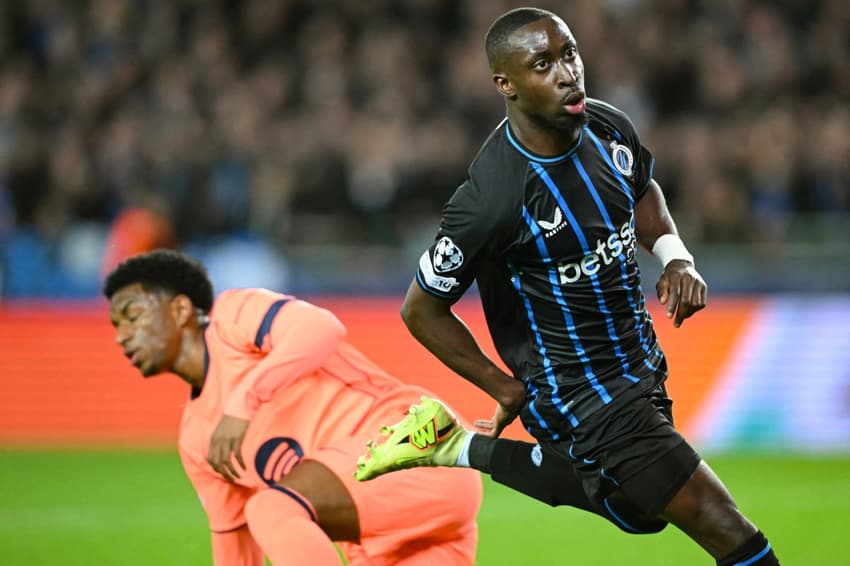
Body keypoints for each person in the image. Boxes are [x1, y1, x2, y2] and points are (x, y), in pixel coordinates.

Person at [356, 7, 779, 566]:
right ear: (506, 84)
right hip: (579, 394)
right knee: (727, 529)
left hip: (639, 363)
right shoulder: (492, 199)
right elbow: (420, 309)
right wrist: (501, 387)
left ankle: (457, 447)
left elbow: (642, 188)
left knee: (641, 511)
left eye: (569, 54)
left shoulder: (607, 126)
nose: (567, 73)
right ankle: (461, 448)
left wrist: (675, 257)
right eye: (542, 64)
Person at [103, 249, 482, 566]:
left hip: (416, 446)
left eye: (132, 316)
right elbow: (235, 549)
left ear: (182, 309)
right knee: (271, 510)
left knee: (270, 508)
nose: (121, 337)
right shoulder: (195, 440)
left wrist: (244, 401)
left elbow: (321, 327)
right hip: (390, 532)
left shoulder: (231, 317)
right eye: (115, 326)